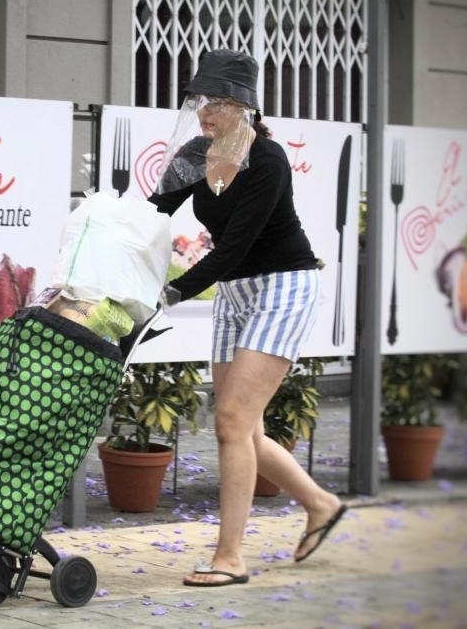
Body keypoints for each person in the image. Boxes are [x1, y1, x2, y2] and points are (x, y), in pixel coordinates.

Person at [148, 49, 347, 587]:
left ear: (243, 106)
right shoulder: (195, 152)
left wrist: (166, 293)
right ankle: (321, 503)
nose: (204, 111)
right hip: (236, 293)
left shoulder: (268, 160)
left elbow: (233, 249)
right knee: (243, 427)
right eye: (198, 100)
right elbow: (151, 214)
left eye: (217, 102)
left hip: (284, 285)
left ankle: (230, 558)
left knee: (232, 422)